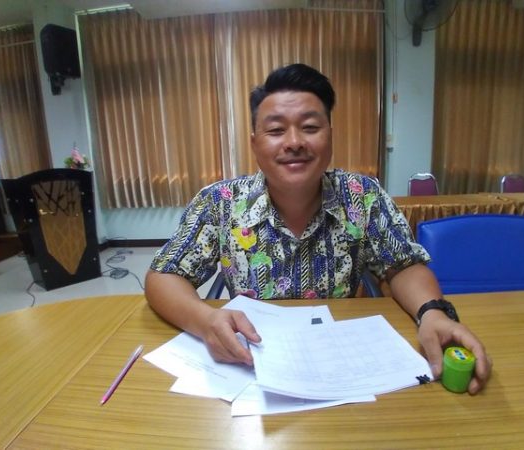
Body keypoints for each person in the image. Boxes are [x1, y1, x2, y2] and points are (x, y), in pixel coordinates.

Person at [145, 63, 492, 394]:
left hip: (340, 365)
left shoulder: (361, 195)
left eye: (310, 127)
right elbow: (163, 275)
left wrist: (432, 313)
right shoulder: (220, 202)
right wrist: (205, 320)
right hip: (250, 366)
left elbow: (402, 265)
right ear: (254, 143)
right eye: (276, 130)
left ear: (330, 136)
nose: (294, 141)